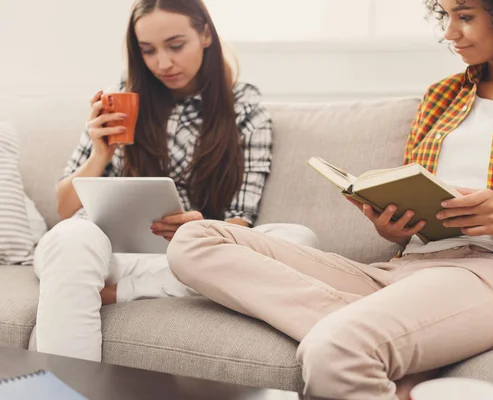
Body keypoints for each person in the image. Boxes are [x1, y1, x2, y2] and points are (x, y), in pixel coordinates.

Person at [166, 0, 493, 398]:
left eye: (465, 16)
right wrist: (389, 224)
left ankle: (364, 333)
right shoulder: (441, 97)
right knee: (194, 240)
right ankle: (388, 333)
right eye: (446, 16)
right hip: (402, 268)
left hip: (491, 274)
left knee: (334, 351)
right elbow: (414, 194)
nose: (450, 33)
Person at [33, 0, 318, 363]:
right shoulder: (121, 97)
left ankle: (121, 292)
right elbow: (64, 209)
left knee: (298, 241)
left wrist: (200, 231)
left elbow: (241, 221)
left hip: (185, 260)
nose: (162, 63)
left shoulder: (244, 107)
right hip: (96, 257)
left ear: (205, 34)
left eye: (175, 45)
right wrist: (99, 154)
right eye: (148, 51)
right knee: (71, 236)